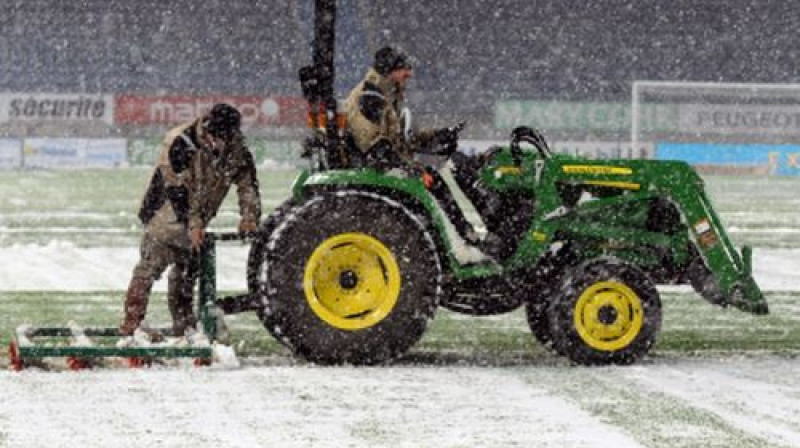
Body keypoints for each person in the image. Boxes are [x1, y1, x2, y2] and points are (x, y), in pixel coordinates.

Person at [119, 103, 262, 339]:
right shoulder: (180, 142)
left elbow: (248, 185)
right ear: (207, 128)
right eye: (214, 138)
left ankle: (184, 328)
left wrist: (249, 216)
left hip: (199, 216)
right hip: (165, 212)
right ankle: (130, 325)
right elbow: (177, 190)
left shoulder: (237, 149)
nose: (218, 144)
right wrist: (193, 224)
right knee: (149, 268)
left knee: (186, 277)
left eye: (224, 139)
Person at [343, 46, 501, 256]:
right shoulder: (370, 98)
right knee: (432, 180)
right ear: (389, 70)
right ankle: (462, 242)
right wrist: (408, 167)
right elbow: (375, 145)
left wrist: (438, 135)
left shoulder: (387, 94)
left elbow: (400, 140)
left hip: (383, 162)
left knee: (435, 177)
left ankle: (466, 236)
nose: (409, 74)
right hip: (374, 167)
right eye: (403, 69)